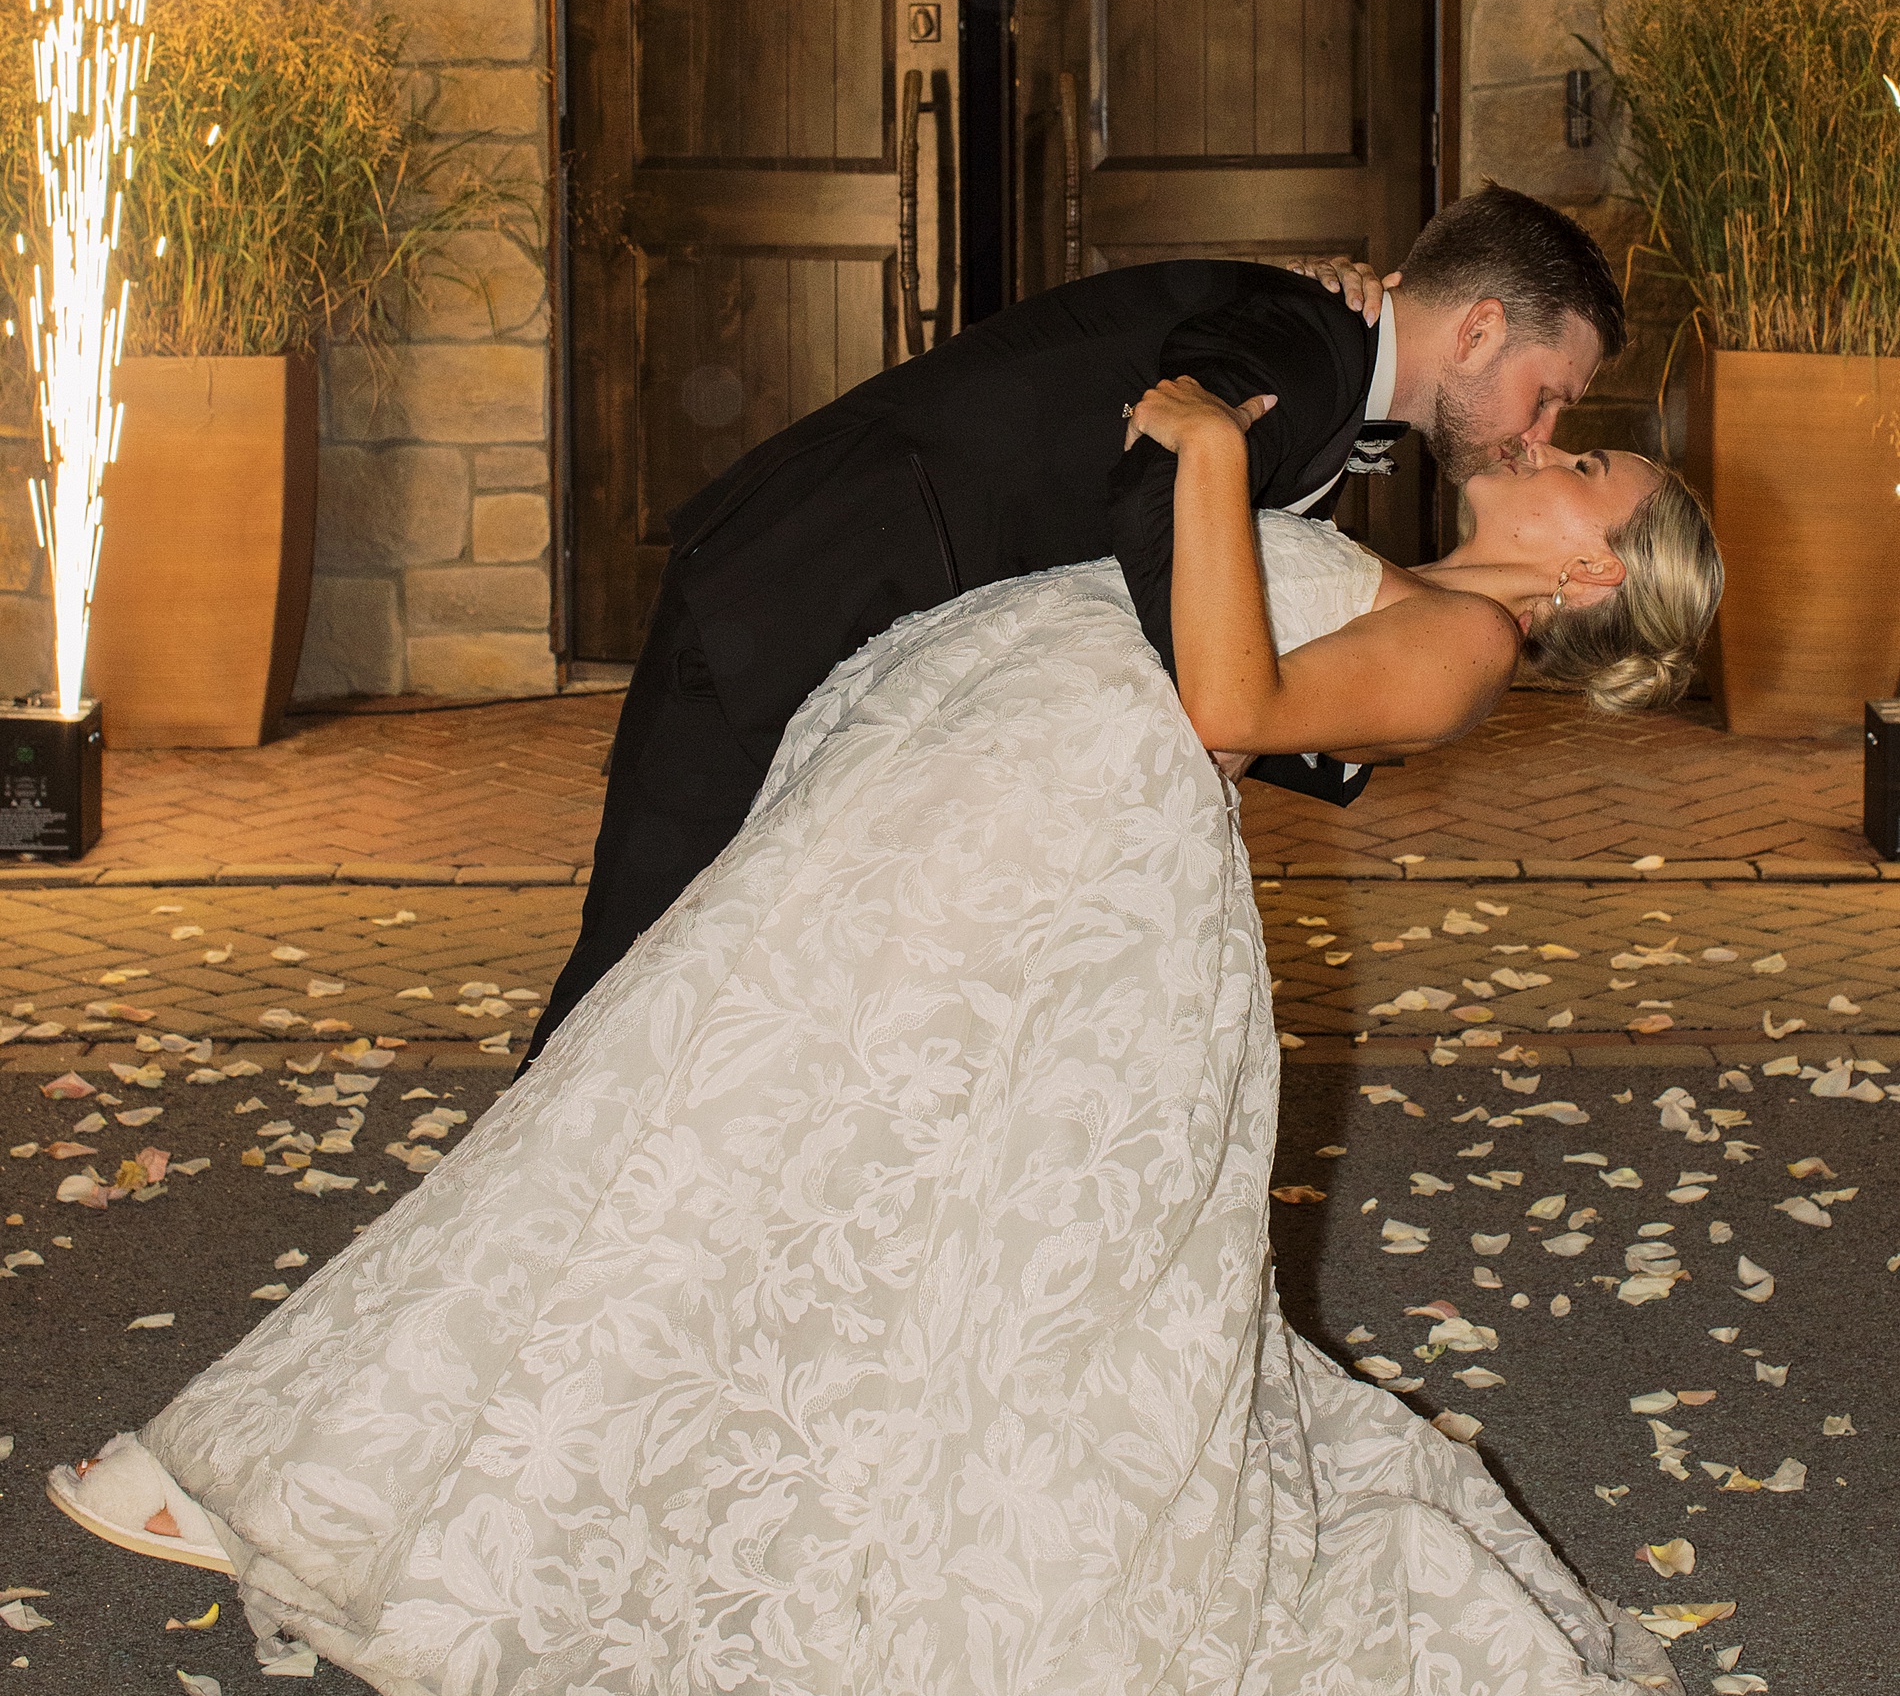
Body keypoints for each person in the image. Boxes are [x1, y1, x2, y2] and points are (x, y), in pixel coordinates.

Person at [49, 381, 1720, 1696]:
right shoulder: (1404, 569)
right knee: (706, 1128)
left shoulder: (1465, 648)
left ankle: (302, 1477)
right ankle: (335, 1476)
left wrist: (1213, 457)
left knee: (695, 1126)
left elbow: (1226, 700)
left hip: (1040, 867)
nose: (1551, 455)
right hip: (983, 814)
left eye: (1589, 476)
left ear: (1594, 580)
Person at [527, 183, 1628, 1060]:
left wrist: (1300, 725)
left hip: (862, 631)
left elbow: (1238, 591)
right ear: (1479, 328)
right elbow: (1157, 468)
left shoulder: (1328, 377)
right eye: (1549, 397)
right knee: (635, 971)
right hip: (799, 589)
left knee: (728, 984)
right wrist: (1219, 705)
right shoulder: (1307, 341)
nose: (1539, 432)